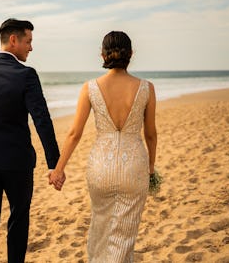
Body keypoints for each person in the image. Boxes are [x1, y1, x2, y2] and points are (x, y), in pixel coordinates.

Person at [0, 18, 64, 263]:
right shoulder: (26, 75)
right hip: (16, 162)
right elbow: (42, 120)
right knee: (18, 218)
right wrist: (54, 164)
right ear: (13, 40)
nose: (31, 47)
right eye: (28, 41)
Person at [49, 31, 157, 262]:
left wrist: (59, 169)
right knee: (125, 235)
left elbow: (74, 134)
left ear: (102, 54)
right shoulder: (147, 88)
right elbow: (150, 134)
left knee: (100, 228)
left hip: (101, 166)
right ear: (131, 55)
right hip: (134, 165)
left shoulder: (90, 88)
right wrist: (151, 168)